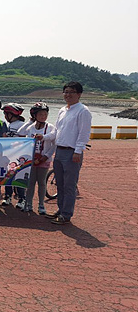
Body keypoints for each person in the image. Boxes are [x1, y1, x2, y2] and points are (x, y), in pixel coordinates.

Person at [48, 81, 92, 225]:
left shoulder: (83, 111)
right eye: (65, 92)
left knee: (69, 185)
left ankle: (66, 214)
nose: (68, 95)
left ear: (79, 94)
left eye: (71, 92)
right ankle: (61, 209)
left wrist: (78, 151)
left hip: (72, 152)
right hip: (59, 151)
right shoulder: (62, 110)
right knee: (59, 183)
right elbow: (57, 130)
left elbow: (84, 133)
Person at [17, 102, 55, 215]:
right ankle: (28, 203)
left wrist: (45, 156)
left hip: (44, 160)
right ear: (35, 116)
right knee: (30, 183)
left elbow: (53, 140)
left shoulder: (50, 127)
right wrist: (30, 121)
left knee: (42, 183)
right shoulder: (31, 128)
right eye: (40, 114)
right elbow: (20, 133)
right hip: (32, 160)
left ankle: (41, 204)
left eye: (45, 114)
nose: (43, 116)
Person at [1, 103, 26, 208]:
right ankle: (8, 196)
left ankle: (21, 198)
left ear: (11, 114)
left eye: (6, 114)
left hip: (19, 155)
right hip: (11, 155)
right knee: (9, 176)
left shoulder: (21, 125)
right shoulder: (11, 125)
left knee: (17, 177)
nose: (5, 117)